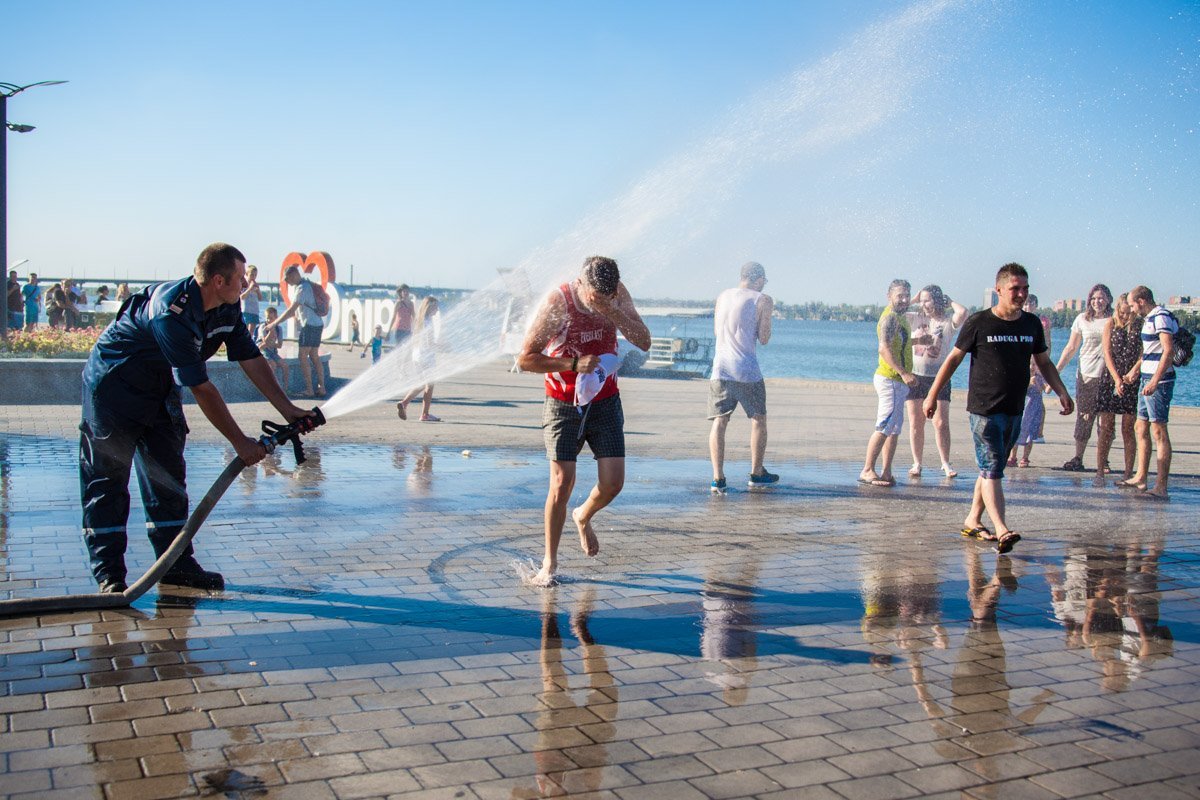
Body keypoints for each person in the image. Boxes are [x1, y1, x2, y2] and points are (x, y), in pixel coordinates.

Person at [79, 243, 314, 594]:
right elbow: (201, 388)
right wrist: (240, 443)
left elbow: (249, 357)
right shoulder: (170, 313)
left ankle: (176, 566)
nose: (246, 285)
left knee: (168, 478)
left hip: (158, 389)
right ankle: (110, 576)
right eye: (240, 278)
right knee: (108, 482)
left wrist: (288, 409)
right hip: (115, 389)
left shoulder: (227, 305)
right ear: (218, 280)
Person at [518, 256, 651, 586]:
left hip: (605, 399)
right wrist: (573, 363)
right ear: (583, 284)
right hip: (563, 403)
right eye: (598, 298)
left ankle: (584, 515)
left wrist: (612, 311)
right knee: (562, 484)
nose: (602, 302)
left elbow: (644, 341)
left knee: (613, 483)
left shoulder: (617, 295)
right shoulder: (559, 302)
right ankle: (549, 563)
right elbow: (526, 359)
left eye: (609, 296)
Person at [924, 263, 1073, 554]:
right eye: (1015, 289)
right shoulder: (980, 322)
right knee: (993, 468)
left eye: (1025, 289)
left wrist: (1062, 391)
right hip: (984, 410)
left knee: (991, 468)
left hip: (1014, 408)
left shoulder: (1030, 325)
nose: (1021, 294)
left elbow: (1043, 362)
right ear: (999, 290)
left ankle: (972, 519)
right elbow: (953, 360)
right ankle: (1002, 528)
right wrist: (931, 395)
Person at [707, 261, 777, 494]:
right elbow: (764, 337)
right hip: (746, 369)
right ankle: (757, 473)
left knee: (720, 420)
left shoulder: (723, 296)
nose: (763, 285)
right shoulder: (762, 299)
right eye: (764, 281)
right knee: (758, 419)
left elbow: (718, 332)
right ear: (758, 279)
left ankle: (718, 479)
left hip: (720, 368)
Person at [859, 279, 926, 487]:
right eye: (900, 295)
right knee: (884, 425)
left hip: (898, 382)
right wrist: (904, 373)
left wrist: (918, 342)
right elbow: (884, 349)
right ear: (889, 296)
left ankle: (887, 471)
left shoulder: (900, 317)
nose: (904, 299)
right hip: (890, 378)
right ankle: (867, 469)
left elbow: (901, 341)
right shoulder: (889, 318)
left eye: (907, 295)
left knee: (894, 428)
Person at [1118, 286, 1177, 500]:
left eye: (1133, 305)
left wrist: (1155, 380)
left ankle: (1161, 486)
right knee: (1140, 425)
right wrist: (1135, 371)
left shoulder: (1161, 317)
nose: (1132, 309)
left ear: (1142, 301)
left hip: (1158, 381)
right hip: (1146, 378)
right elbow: (1151, 351)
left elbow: (1167, 350)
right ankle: (1141, 476)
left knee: (1158, 430)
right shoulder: (1151, 318)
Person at [905, 285, 968, 478]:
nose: (924, 304)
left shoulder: (947, 322)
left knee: (940, 423)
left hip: (939, 378)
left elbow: (963, 312)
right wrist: (914, 299)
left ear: (937, 301)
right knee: (916, 422)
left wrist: (948, 301)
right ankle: (917, 463)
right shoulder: (915, 317)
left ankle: (945, 463)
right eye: (922, 300)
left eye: (928, 300)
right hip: (916, 376)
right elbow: (895, 310)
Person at [1055, 284, 1113, 471]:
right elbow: (1071, 348)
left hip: (1107, 376)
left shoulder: (1114, 320)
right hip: (1086, 374)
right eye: (1094, 298)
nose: (1098, 301)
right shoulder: (1082, 319)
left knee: (1105, 420)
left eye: (1102, 297)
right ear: (1089, 300)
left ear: (1109, 299)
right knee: (1084, 416)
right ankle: (1078, 457)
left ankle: (1103, 460)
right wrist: (1056, 372)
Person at [1095, 293, 1142, 486]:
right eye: (1122, 312)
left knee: (1127, 429)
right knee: (1106, 427)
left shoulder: (1139, 325)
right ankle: (1099, 472)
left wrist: (1133, 372)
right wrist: (1116, 378)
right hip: (1110, 379)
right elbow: (1106, 352)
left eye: (1128, 312)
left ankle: (1128, 473)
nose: (1124, 315)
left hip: (1131, 380)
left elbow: (1143, 353)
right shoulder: (1111, 324)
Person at [262, 265, 326, 398]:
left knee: (302, 356)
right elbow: (296, 311)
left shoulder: (302, 288)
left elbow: (291, 309)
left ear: (294, 274)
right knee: (314, 355)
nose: (287, 282)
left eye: (287, 279)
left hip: (309, 326)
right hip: (318, 323)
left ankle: (309, 390)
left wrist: (274, 323)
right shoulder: (308, 285)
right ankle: (322, 388)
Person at [398, 296, 443, 422]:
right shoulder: (428, 322)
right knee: (429, 385)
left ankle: (405, 404)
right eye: (436, 306)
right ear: (430, 307)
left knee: (422, 383)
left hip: (417, 355)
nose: (437, 309)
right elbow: (430, 344)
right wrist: (443, 347)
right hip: (426, 357)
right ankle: (424, 414)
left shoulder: (419, 321)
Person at [1010, 360, 1047, 468]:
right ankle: (1013, 457)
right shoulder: (1022, 376)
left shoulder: (1039, 377)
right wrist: (1029, 384)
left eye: (1035, 364)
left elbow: (1047, 390)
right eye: (1030, 364)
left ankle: (1025, 457)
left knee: (1030, 435)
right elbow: (1017, 390)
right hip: (1022, 409)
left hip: (1034, 410)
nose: (1031, 367)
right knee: (1016, 432)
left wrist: (1046, 384)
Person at [258, 305, 289, 391]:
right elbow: (264, 342)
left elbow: (279, 345)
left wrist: (270, 344)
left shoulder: (279, 328)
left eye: (271, 318)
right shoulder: (262, 327)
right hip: (264, 351)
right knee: (273, 365)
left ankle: (285, 388)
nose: (269, 320)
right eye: (267, 318)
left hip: (273, 352)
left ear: (276, 318)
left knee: (285, 366)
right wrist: (270, 332)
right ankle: (273, 388)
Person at [240, 265, 263, 339]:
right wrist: (249, 288)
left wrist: (258, 291)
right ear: (247, 274)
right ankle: (243, 344)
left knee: (251, 331)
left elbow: (260, 298)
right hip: (246, 310)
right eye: (252, 275)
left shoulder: (256, 285)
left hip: (254, 311)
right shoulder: (243, 285)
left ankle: (248, 344)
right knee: (245, 330)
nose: (253, 277)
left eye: (255, 275)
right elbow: (242, 297)